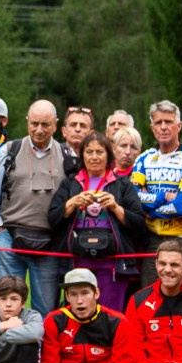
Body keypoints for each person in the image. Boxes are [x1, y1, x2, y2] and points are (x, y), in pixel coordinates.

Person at [48, 132, 147, 312]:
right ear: (82, 155)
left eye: (100, 152)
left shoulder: (121, 184)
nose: (94, 157)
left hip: (112, 263)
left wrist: (115, 207)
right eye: (89, 152)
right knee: (78, 312)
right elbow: (53, 219)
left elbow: (139, 223)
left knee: (111, 314)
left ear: (109, 155)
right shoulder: (71, 184)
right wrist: (72, 202)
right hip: (77, 260)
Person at [0, 100, 68, 314]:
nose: (39, 130)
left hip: (49, 240)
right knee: (8, 305)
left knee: (46, 308)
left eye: (45, 124)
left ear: (55, 124)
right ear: (27, 121)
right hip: (9, 237)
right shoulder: (9, 150)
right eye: (34, 123)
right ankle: (11, 346)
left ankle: (42, 348)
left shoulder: (67, 155)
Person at [132, 101, 182, 245]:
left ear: (179, 126)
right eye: (158, 122)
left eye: (169, 122)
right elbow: (133, 201)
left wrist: (148, 210)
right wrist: (164, 196)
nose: (163, 127)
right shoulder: (142, 159)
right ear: (152, 128)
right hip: (152, 239)